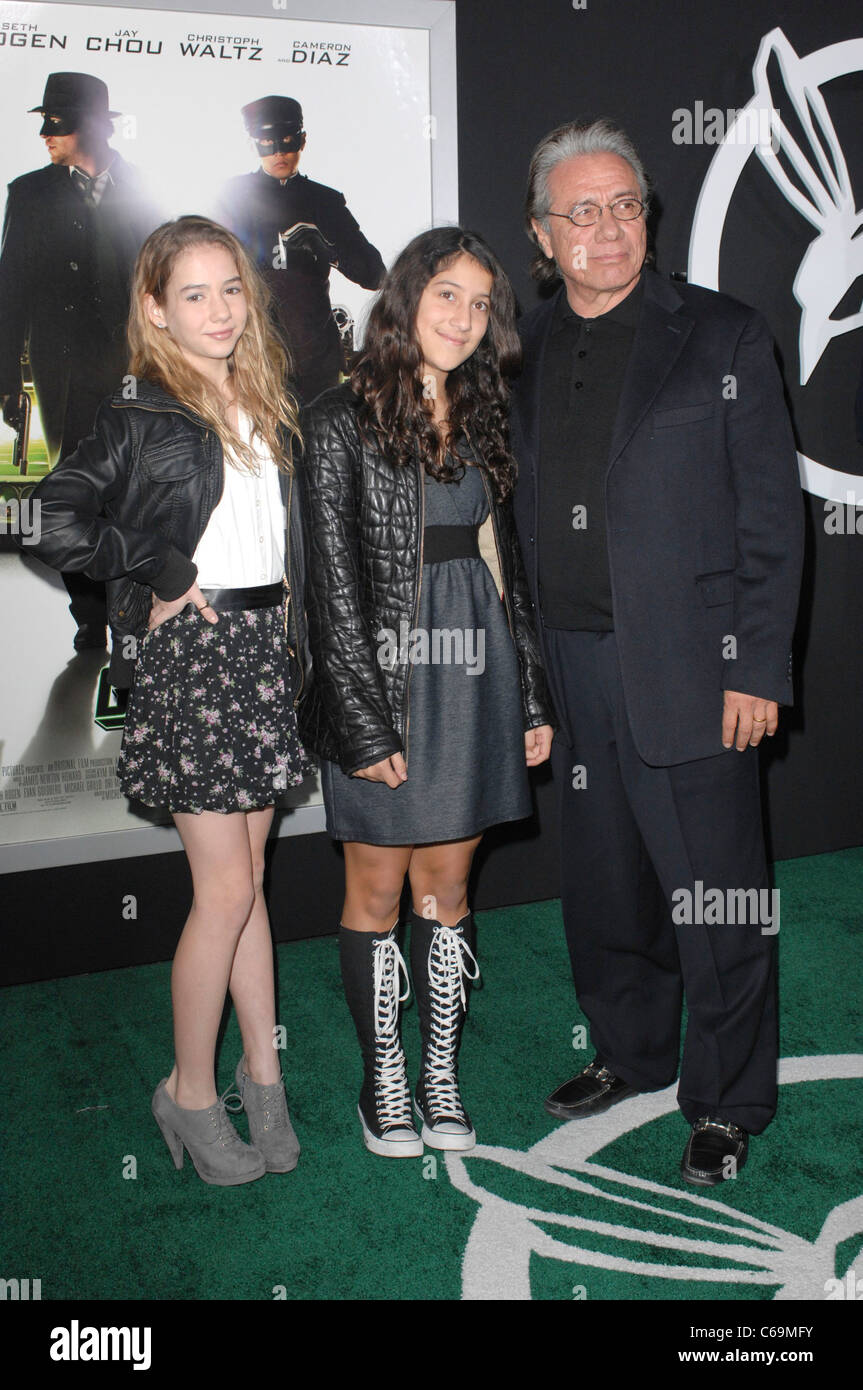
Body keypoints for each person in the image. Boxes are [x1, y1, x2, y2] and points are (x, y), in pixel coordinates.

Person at [511, 119, 804, 1186]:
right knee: (603, 887)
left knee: (715, 894)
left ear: (648, 215)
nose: (606, 229)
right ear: (543, 235)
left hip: (696, 665)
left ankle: (726, 1098)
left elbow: (772, 521)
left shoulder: (720, 336)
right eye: (579, 212)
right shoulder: (521, 348)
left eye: (623, 205)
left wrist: (756, 669)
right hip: (573, 665)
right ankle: (628, 1051)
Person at [21, 216, 314, 1186]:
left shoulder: (263, 396)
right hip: (194, 659)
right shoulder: (137, 414)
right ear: (154, 308)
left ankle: (261, 1073)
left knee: (252, 883)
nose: (220, 309)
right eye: (194, 293)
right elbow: (51, 515)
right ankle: (188, 1091)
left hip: (263, 654)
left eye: (230, 287)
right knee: (223, 889)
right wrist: (150, 564)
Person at [298, 226, 555, 1158]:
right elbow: (328, 588)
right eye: (447, 293)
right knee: (375, 889)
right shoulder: (336, 418)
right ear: (405, 298)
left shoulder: (484, 414)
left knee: (447, 891)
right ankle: (383, 1086)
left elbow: (505, 569)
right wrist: (364, 721)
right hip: (385, 680)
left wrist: (527, 695)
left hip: (476, 671)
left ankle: (438, 1074)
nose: (464, 317)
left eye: (481, 303)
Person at [0, 71, 161, 651]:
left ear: (91, 125)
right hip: (63, 370)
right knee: (73, 485)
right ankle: (90, 613)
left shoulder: (142, 186)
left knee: (138, 484)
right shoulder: (30, 192)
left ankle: (136, 602)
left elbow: (161, 280)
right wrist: (4, 383)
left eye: (57, 122)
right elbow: (9, 290)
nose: (45, 135)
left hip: (135, 365)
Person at [216, 96, 386, 404]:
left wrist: (328, 248)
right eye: (267, 142)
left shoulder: (325, 202)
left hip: (314, 357)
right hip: (251, 352)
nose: (279, 152)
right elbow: (211, 267)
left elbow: (376, 274)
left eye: (288, 140)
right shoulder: (233, 197)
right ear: (253, 145)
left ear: (303, 140)